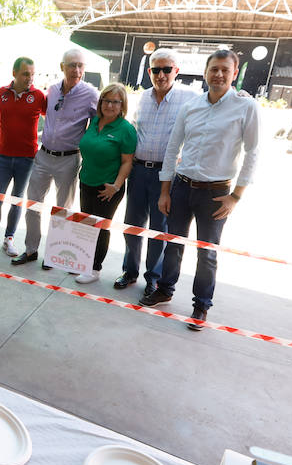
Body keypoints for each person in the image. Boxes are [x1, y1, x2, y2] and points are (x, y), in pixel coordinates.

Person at [139, 49, 259, 330]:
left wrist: (236, 196)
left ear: (234, 74)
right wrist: (165, 190)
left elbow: (253, 153)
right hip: (182, 187)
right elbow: (173, 149)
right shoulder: (191, 106)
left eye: (224, 70)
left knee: (207, 253)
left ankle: (201, 306)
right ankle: (165, 290)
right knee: (174, 244)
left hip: (216, 194)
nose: (218, 74)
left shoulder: (246, 107)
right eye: (214, 69)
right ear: (205, 72)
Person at [114, 49, 199, 295]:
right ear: (149, 71)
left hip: (167, 176)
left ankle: (153, 277)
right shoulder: (141, 98)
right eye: (156, 70)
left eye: (166, 69)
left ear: (176, 71)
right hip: (139, 171)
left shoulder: (190, 98)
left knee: (159, 229)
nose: (161, 75)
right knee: (132, 224)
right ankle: (130, 271)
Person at [11, 49, 99, 268]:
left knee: (62, 210)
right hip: (43, 155)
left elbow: (100, 125)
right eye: (71, 65)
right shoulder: (51, 89)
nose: (76, 71)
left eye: (80, 66)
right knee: (32, 205)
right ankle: (31, 250)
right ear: (62, 67)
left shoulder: (91, 94)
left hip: (69, 159)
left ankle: (54, 254)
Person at [0, 57, 46, 257]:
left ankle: (9, 238)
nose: (30, 78)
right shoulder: (2, 93)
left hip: (27, 159)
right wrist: (5, 125)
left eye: (33, 74)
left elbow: (51, 118)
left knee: (17, 200)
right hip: (3, 158)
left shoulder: (39, 95)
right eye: (26, 74)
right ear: (14, 73)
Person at [74, 84, 136, 284]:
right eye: (106, 100)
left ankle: (94, 269)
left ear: (122, 105)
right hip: (86, 182)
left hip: (108, 188)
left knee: (100, 227)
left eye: (114, 102)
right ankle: (84, 263)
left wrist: (116, 186)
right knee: (87, 225)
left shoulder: (126, 130)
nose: (109, 105)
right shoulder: (94, 122)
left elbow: (127, 162)